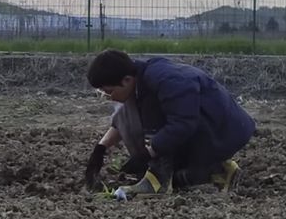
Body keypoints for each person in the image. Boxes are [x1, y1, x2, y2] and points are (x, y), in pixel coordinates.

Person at [84, 49, 256, 198]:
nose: (110, 98)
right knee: (179, 179)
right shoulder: (139, 79)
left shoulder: (164, 79)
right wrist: (100, 149)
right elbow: (123, 119)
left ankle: (158, 181)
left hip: (222, 132)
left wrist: (150, 153)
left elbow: (183, 123)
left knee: (151, 108)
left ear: (126, 80)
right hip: (205, 132)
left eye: (109, 92)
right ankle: (217, 170)